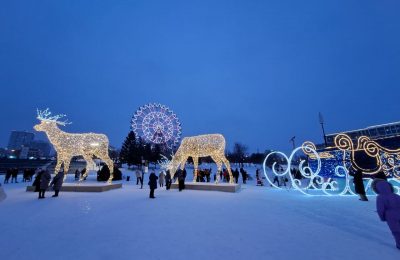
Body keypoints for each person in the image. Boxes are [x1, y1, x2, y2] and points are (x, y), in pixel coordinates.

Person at [373, 179, 400, 250]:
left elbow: (380, 209)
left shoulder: (380, 197)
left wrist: (382, 218)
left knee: (396, 230)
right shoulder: (396, 195)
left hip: (390, 216)